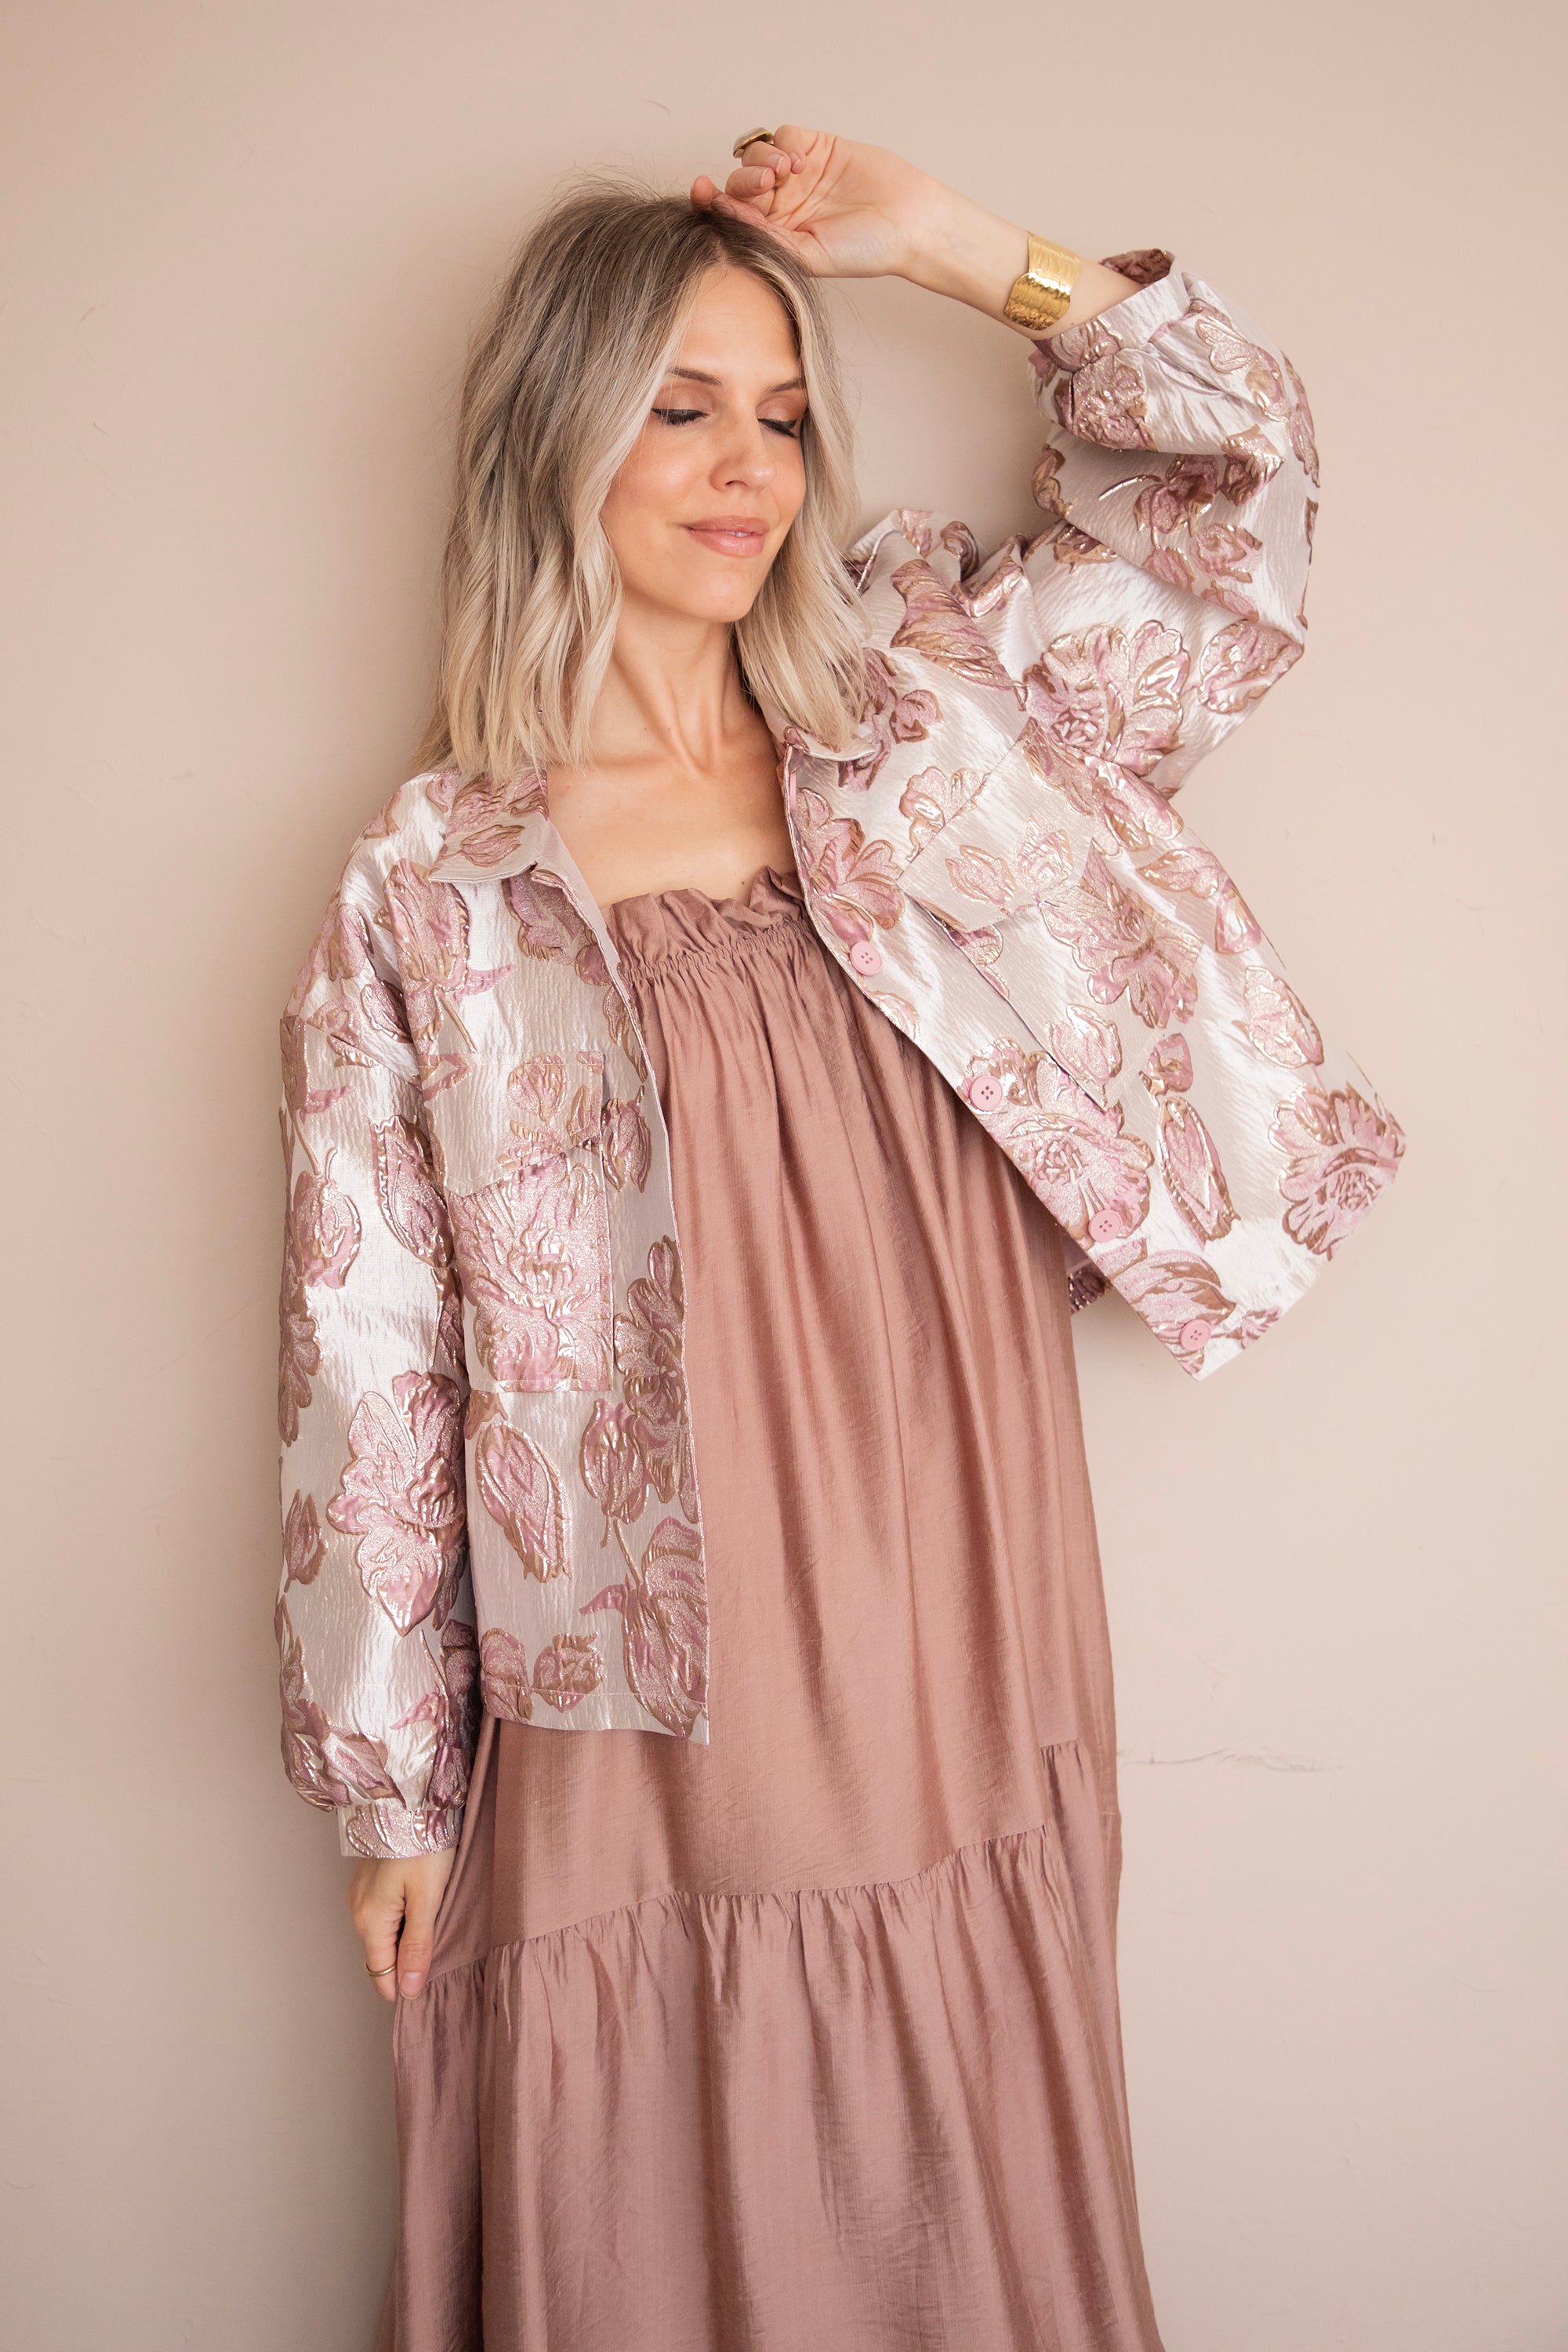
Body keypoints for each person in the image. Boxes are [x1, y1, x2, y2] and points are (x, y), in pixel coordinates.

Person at [275, 124, 1400, 2351]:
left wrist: (959, 253)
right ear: (555, 436)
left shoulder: (933, 714)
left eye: (785, 413)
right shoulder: (443, 882)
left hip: (955, 1548)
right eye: (683, 408)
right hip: (644, 1624)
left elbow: (1233, 514)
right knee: (663, 2109)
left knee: (954, 2086)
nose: (749, 472)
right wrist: (389, 1787)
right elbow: (369, 1342)